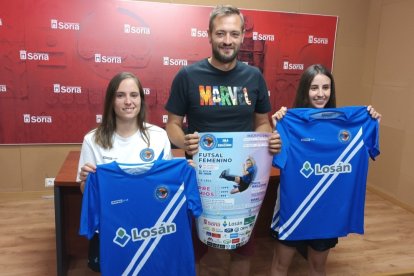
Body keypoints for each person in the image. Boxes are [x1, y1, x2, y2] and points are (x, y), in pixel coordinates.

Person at [164, 4, 282, 276]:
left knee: (242, 246)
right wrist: (184, 143)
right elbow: (172, 125)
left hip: (244, 180)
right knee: (197, 248)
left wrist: (268, 141)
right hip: (200, 177)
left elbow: (263, 121)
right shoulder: (187, 76)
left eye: (233, 34)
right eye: (220, 33)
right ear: (209, 35)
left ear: (242, 36)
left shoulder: (253, 77)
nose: (227, 40)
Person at [270, 64, 381, 276]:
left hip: (328, 212)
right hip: (294, 209)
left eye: (326, 87)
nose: (321, 94)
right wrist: (278, 128)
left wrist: (373, 122)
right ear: (305, 90)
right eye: (314, 88)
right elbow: (277, 158)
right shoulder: (288, 122)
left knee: (318, 267)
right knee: (279, 266)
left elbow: (370, 149)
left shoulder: (354, 126)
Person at [77, 72, 172, 271]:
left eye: (134, 95)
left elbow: (166, 188)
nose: (128, 101)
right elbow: (86, 192)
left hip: (149, 225)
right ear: (111, 101)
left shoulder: (159, 136)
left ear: (141, 99)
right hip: (112, 226)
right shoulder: (92, 140)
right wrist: (87, 181)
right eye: (120, 95)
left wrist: (182, 174)